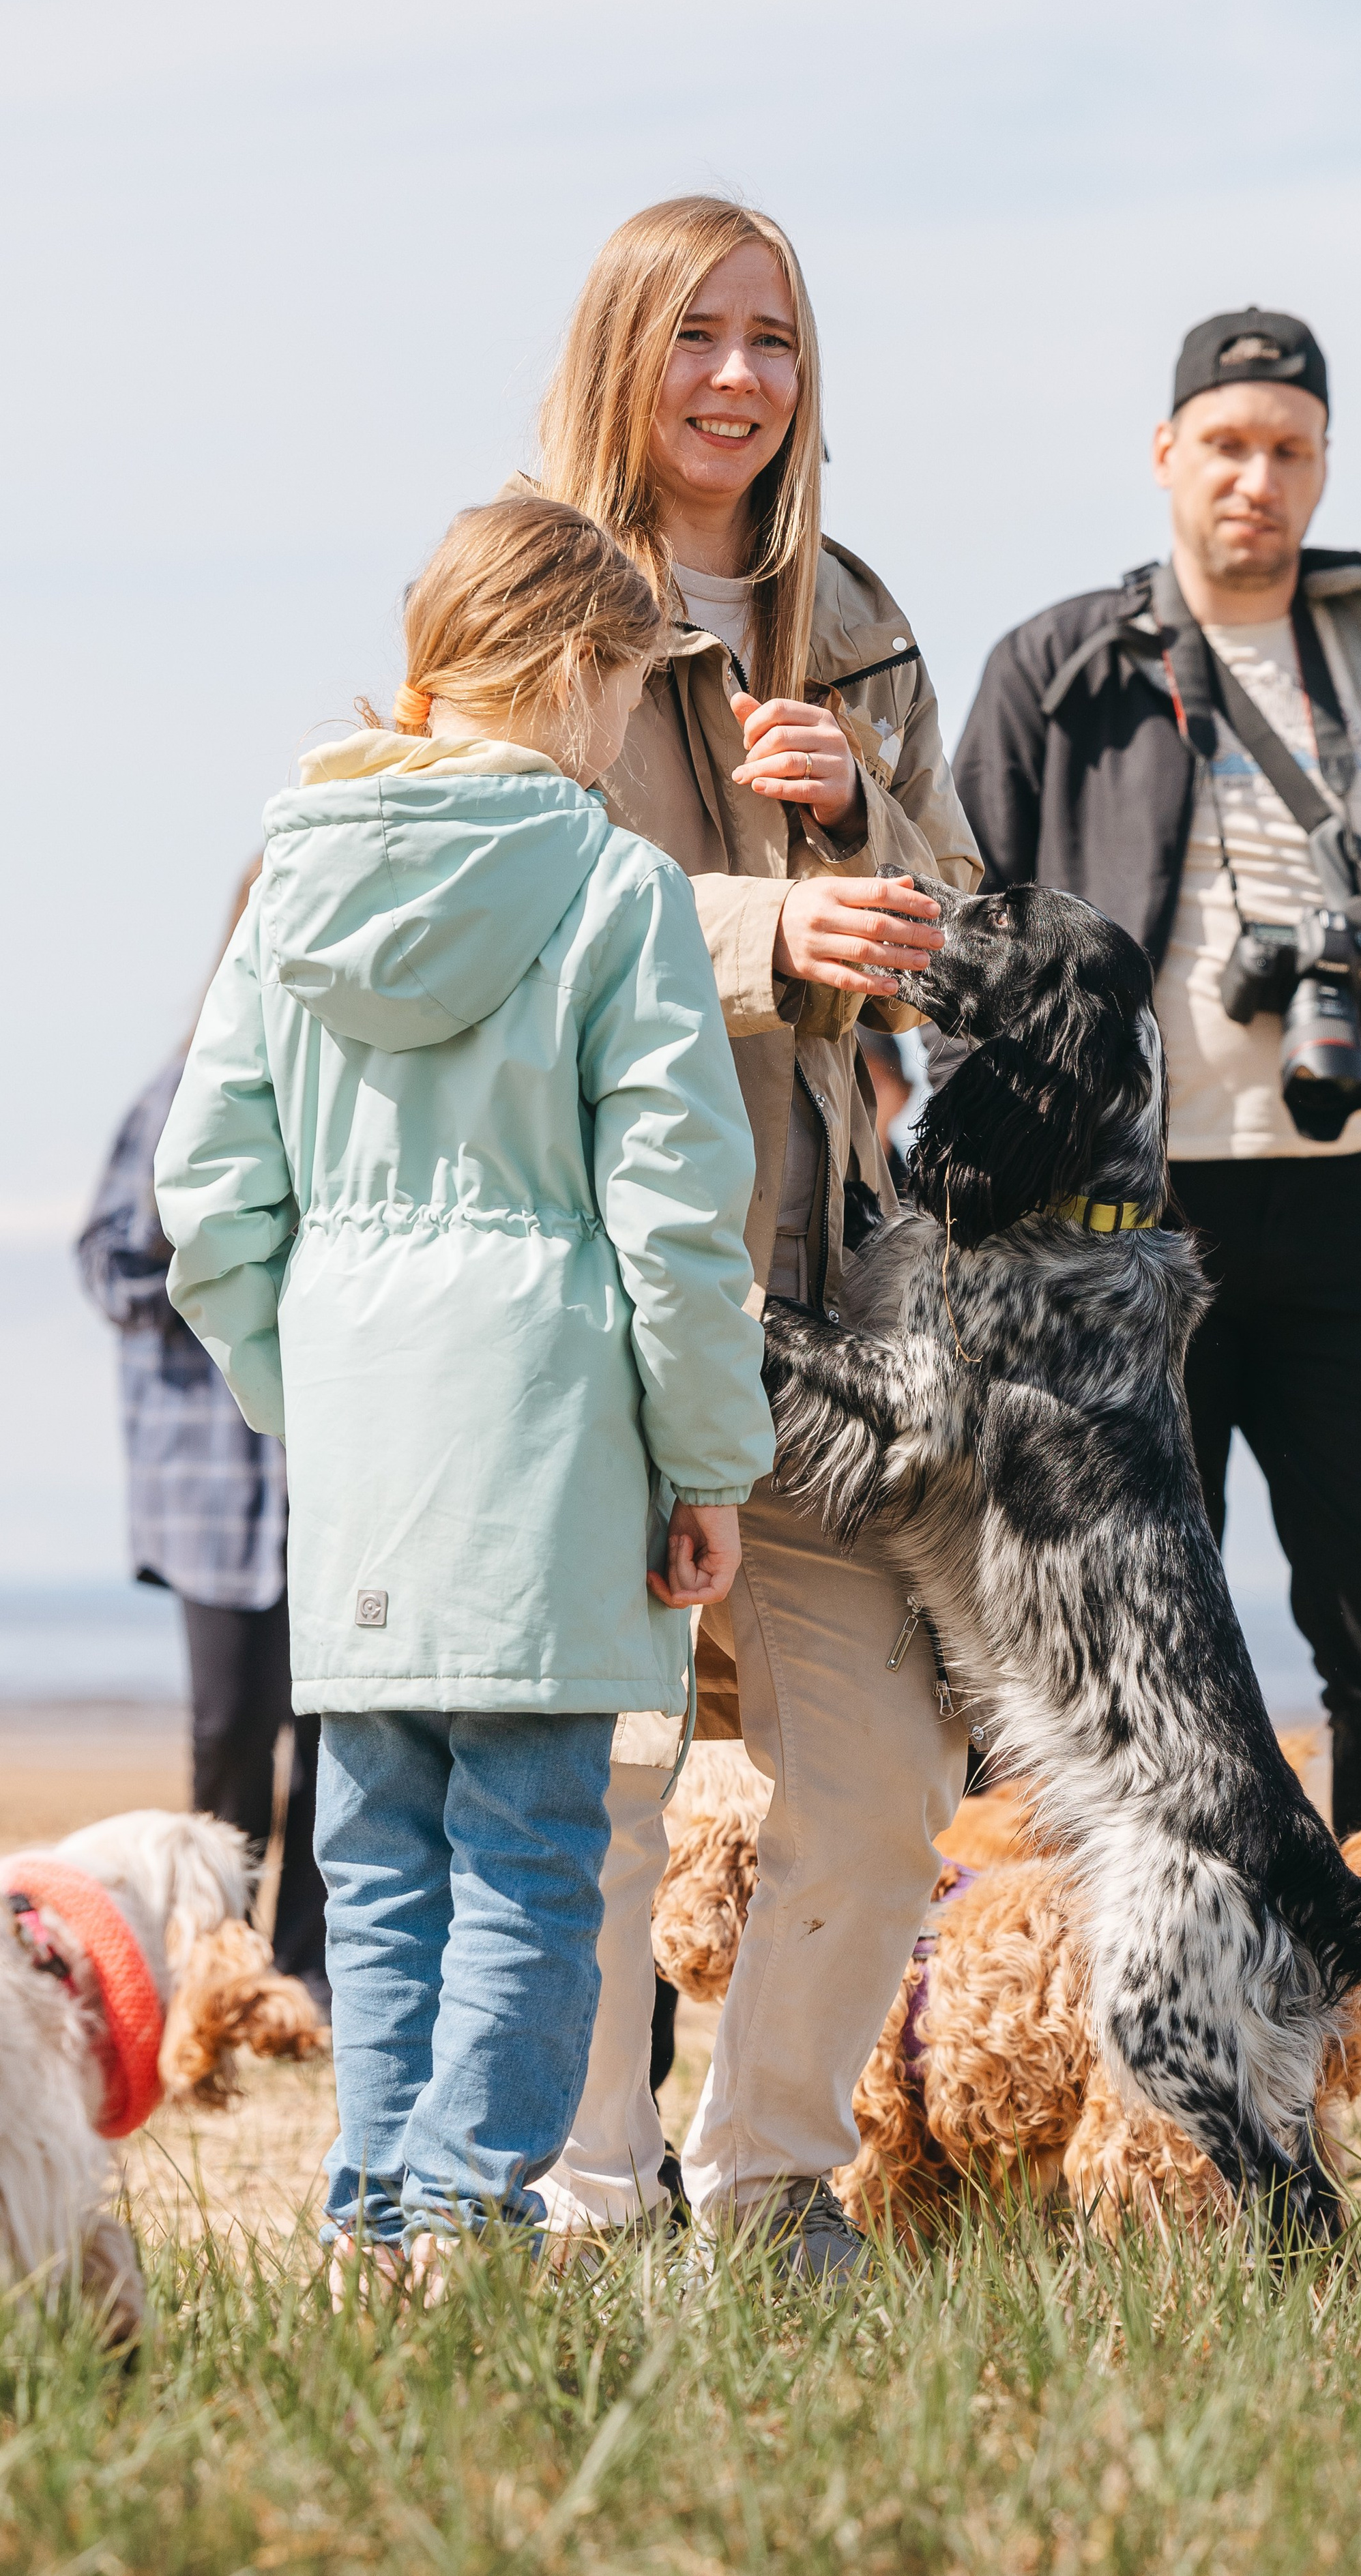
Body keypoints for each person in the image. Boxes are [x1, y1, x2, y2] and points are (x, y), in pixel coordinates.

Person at [155, 494, 774, 2283]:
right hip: (557, 1443)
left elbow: (208, 1204)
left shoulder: (294, 881)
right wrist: (707, 1461)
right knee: (529, 1860)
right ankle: (457, 2223)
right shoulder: (616, 889)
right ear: (580, 667)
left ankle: (368, 2220)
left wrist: (303, 1391)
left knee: (377, 1863)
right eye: (627, 687)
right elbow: (677, 1218)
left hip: (364, 1447)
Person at [953, 308, 1361, 2137]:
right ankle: (1055, 2037)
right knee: (1098, 1648)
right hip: (1124, 1220)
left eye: (1287, 447)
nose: (1254, 478)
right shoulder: (1062, 665)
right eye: (1224, 444)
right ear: (1165, 456)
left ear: (1322, 464)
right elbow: (976, 938)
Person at [527, 195, 983, 2275]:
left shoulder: (855, 610)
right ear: (624, 350)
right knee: (611, 1775)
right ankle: (590, 2199)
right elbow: (487, 910)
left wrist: (860, 826)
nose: (737, 376)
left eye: (775, 339)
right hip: (590, 1294)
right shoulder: (529, 594)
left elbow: (959, 925)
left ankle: (772, 2180)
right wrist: (754, 922)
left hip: (817, 1310)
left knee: (886, 1760)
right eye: (696, 333)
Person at [76, 874, 327, 2009]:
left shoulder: (346, 1091)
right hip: (211, 1490)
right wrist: (226, 1270)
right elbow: (108, 1263)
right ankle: (212, 1978)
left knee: (334, 1739)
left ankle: (310, 1978)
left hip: (328, 1480)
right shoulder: (178, 1088)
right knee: (232, 1733)